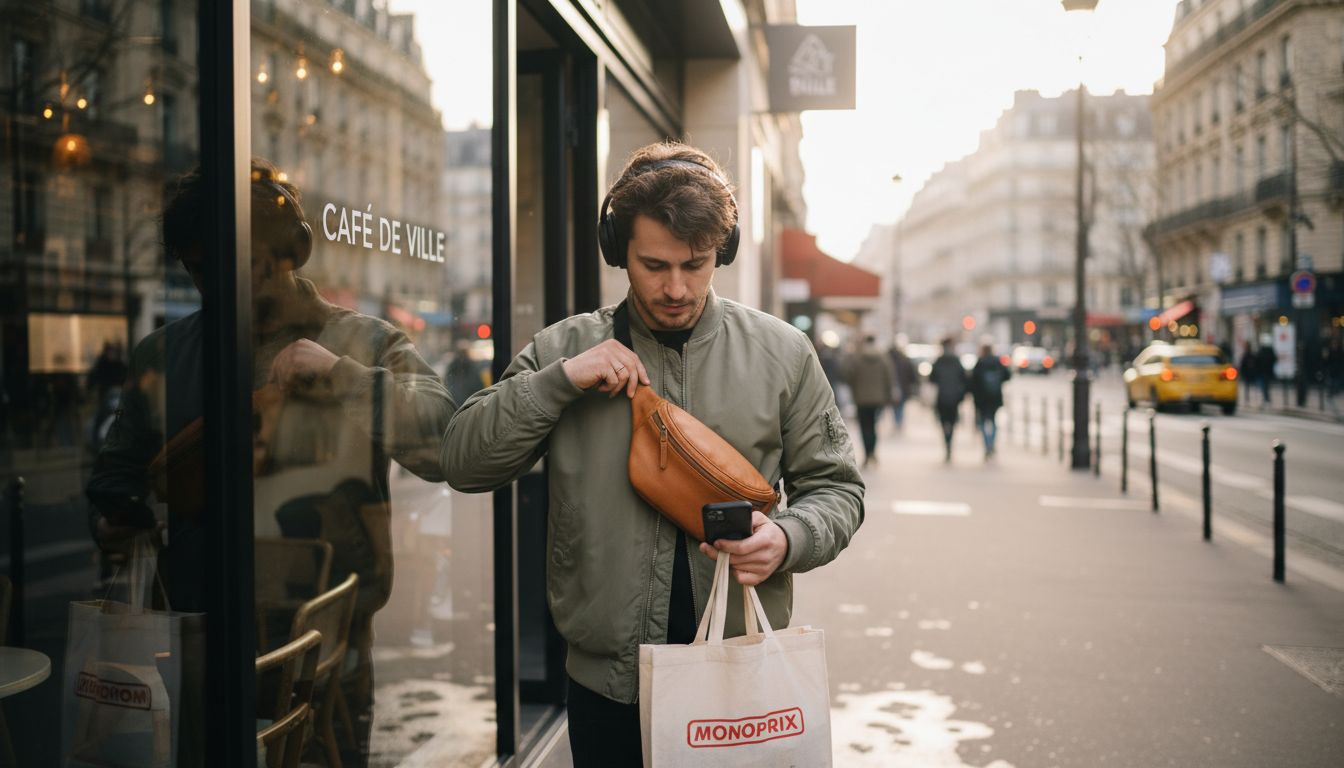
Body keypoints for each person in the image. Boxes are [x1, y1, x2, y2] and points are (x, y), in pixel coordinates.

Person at [439, 141, 864, 767]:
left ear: (722, 250)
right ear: (618, 251)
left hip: (738, 677)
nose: (675, 287)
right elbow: (463, 461)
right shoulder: (563, 349)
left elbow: (838, 489)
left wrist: (789, 537)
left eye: (696, 264)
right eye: (654, 265)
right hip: (607, 686)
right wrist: (559, 382)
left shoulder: (783, 353)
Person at [86, 159, 456, 767]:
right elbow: (114, 477)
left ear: (290, 252)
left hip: (325, 645)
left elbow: (445, 442)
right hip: (200, 638)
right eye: (199, 268)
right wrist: (117, 519)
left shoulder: (365, 342)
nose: (218, 284)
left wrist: (339, 375)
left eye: (240, 263)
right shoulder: (164, 354)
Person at [844, 335, 896, 466]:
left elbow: (849, 376)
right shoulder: (883, 358)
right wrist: (888, 395)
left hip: (861, 399)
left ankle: (867, 454)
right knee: (873, 426)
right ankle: (873, 452)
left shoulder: (857, 358)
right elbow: (889, 377)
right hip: (878, 399)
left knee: (864, 427)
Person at [929, 336, 968, 463]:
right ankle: (949, 442)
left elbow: (932, 378)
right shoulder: (956, 361)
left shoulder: (939, 361)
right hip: (954, 397)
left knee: (943, 422)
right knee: (952, 422)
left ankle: (947, 443)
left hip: (942, 397)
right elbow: (964, 379)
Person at [969, 343, 1010, 459]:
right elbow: (1007, 376)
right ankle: (992, 443)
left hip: (982, 398)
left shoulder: (980, 363)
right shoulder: (997, 362)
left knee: (983, 422)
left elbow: (973, 381)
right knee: (993, 421)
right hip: (995, 397)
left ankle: (987, 444)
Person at [888, 339, 918, 433]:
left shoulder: (888, 360)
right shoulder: (904, 359)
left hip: (894, 386)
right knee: (900, 406)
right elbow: (911, 374)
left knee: (895, 406)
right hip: (903, 386)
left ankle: (897, 421)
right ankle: (899, 422)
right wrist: (913, 383)